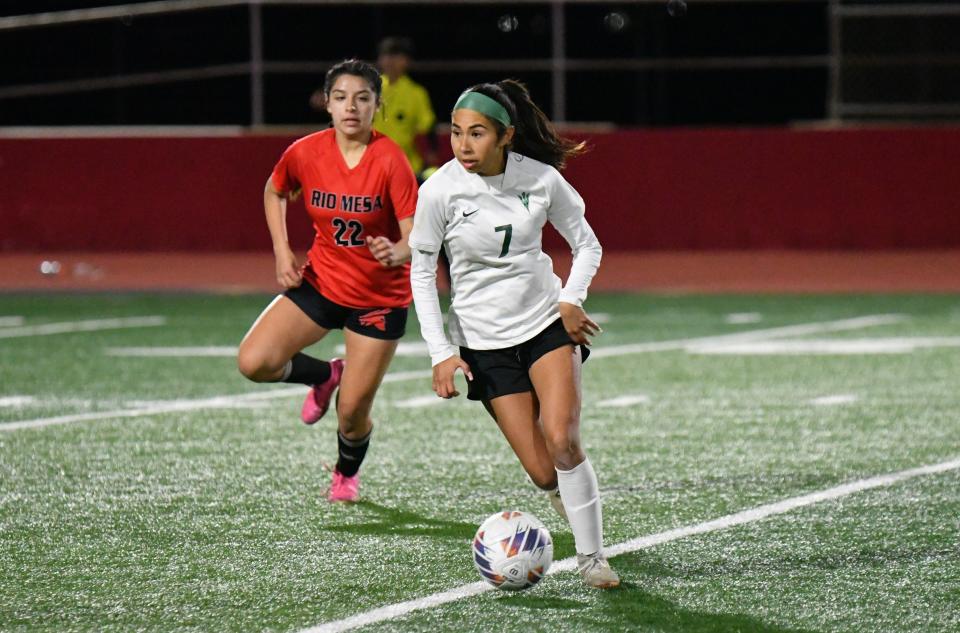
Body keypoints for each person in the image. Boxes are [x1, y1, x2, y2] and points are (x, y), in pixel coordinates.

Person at [407, 80, 619, 588]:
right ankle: (568, 504)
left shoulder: (541, 179)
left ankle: (593, 558)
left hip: (546, 323)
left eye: (476, 133)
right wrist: (441, 353)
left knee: (563, 439)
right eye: (456, 133)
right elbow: (420, 273)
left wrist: (571, 299)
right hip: (484, 343)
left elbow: (587, 244)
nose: (463, 145)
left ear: (505, 135)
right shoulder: (439, 189)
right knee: (545, 472)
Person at [238, 59, 417, 503]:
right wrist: (283, 250)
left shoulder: (391, 159)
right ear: (328, 104)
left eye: (362, 98)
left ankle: (345, 474)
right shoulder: (305, 152)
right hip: (322, 282)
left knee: (352, 414)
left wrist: (397, 252)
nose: (351, 107)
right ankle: (325, 374)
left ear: (377, 105)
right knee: (254, 362)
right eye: (341, 98)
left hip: (378, 298)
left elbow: (417, 234)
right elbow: (274, 189)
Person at [311, 37, 438, 182]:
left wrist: (432, 152)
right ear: (380, 60)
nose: (391, 61)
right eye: (386, 56)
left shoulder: (416, 93)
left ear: (406, 61)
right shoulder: (368, 86)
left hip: (406, 168)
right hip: (371, 166)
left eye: (397, 56)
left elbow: (428, 126)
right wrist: (327, 98)